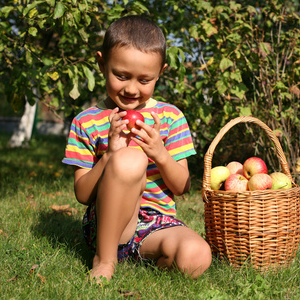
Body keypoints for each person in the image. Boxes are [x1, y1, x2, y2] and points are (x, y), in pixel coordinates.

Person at [62, 15, 212, 282]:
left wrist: (160, 154)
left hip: (157, 224)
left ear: (161, 73)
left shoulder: (170, 118)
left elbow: (182, 186)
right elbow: (83, 194)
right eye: (121, 76)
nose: (132, 89)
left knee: (197, 256)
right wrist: (109, 155)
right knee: (129, 159)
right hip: (109, 226)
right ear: (101, 63)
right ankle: (105, 258)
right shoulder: (86, 122)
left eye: (144, 80)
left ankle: (140, 256)